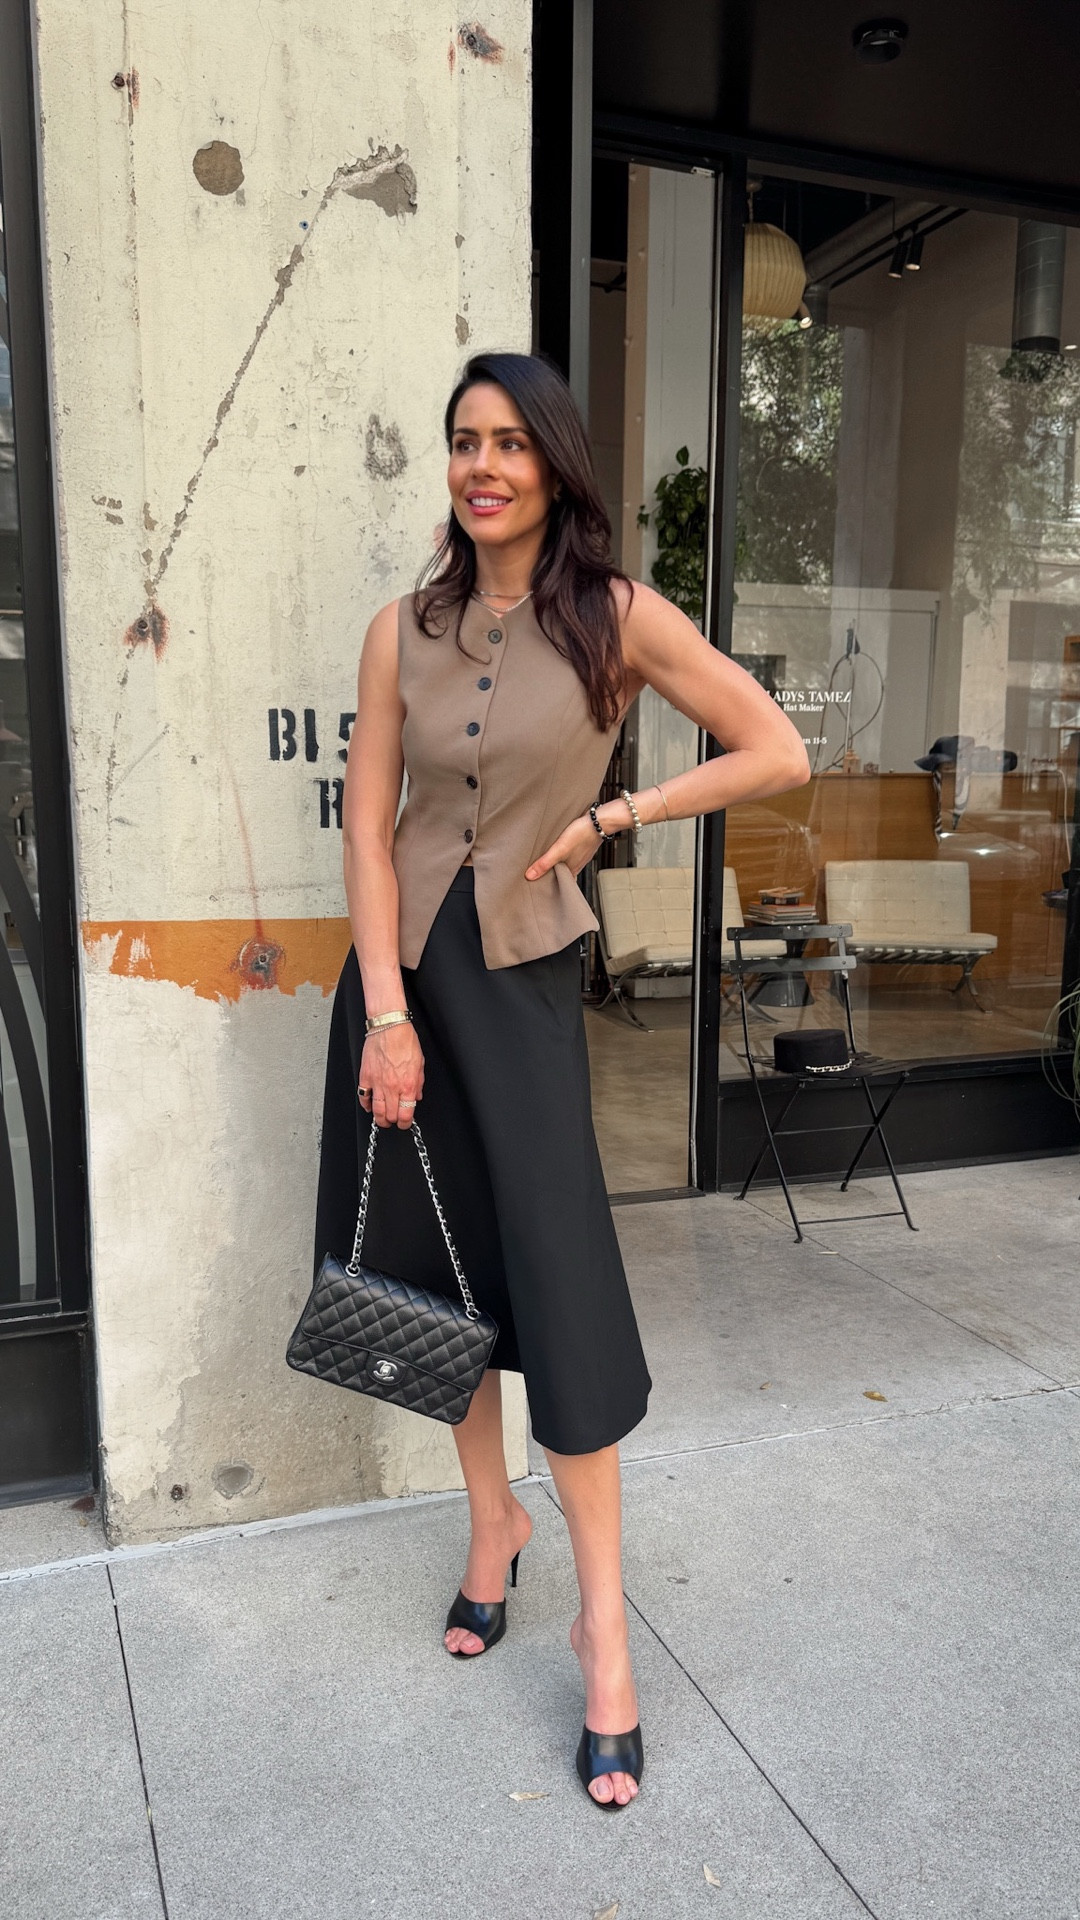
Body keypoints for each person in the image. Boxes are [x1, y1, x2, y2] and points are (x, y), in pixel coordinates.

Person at [315, 351, 809, 1810]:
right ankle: (491, 1529)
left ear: (554, 466)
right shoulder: (400, 630)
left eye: (510, 444)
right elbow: (365, 825)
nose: (482, 467)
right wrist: (385, 1012)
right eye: (463, 442)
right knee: (432, 1271)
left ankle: (605, 1636)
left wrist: (623, 811)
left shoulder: (616, 617)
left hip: (522, 983)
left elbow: (772, 749)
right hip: (402, 987)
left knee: (562, 1290)